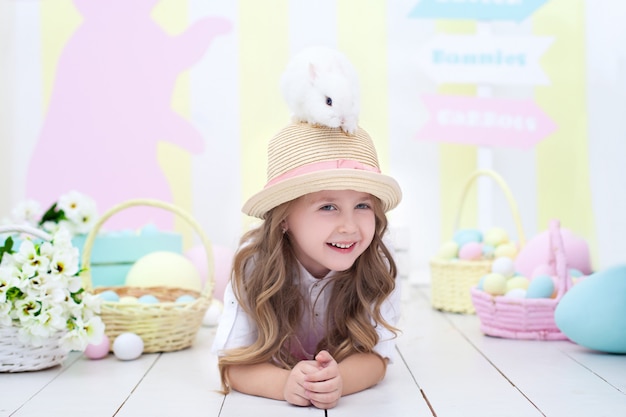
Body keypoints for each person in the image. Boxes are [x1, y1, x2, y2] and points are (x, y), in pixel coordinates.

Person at [212, 49, 403, 410]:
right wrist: (285, 383)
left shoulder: (376, 265)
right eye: (327, 206)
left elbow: (378, 359)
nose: (349, 225)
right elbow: (233, 362)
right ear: (284, 217)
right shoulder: (254, 267)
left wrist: (340, 380)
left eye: (362, 205)